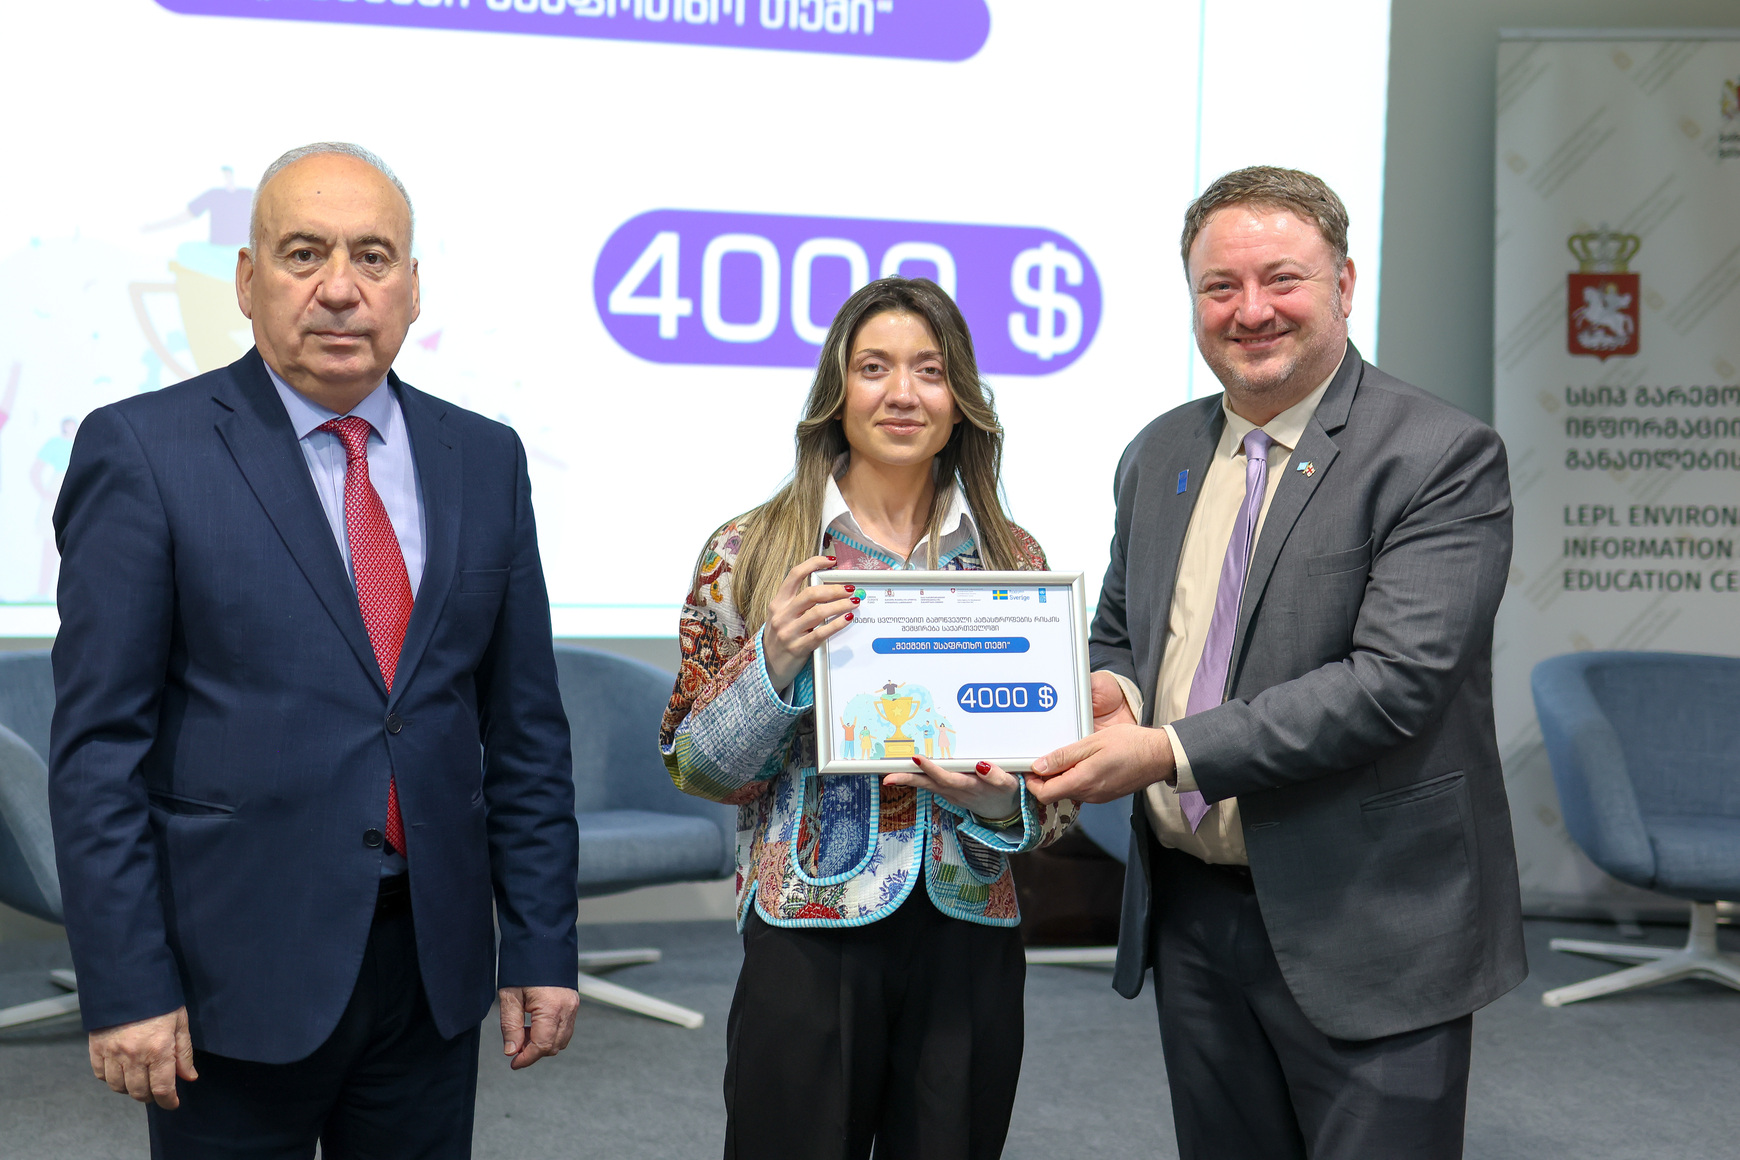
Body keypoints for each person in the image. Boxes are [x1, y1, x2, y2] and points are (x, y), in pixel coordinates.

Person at [49, 142, 580, 1158]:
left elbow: (524, 732)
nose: (340, 288)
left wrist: (542, 943)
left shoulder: (485, 458)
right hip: (230, 970)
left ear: (413, 287)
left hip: (430, 968)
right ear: (248, 281)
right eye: (304, 253)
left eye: (372, 257)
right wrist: (125, 982)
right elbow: (96, 754)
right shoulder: (146, 451)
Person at [1027, 166, 1526, 1160]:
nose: (1250, 310)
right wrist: (1110, 690)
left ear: (1344, 283)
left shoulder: (1439, 454)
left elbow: (1392, 686)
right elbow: (1124, 630)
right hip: (1192, 912)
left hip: (1369, 917)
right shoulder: (1158, 452)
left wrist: (1166, 750)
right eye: (1220, 286)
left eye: (1281, 279)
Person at [660, 277, 1078, 1160]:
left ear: (961, 399)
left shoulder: (1015, 559)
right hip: (809, 926)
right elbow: (694, 764)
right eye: (875, 367)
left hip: (970, 925)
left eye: (930, 370)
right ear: (836, 391)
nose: (903, 393)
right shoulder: (750, 552)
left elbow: (1059, 790)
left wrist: (1002, 803)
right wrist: (774, 661)